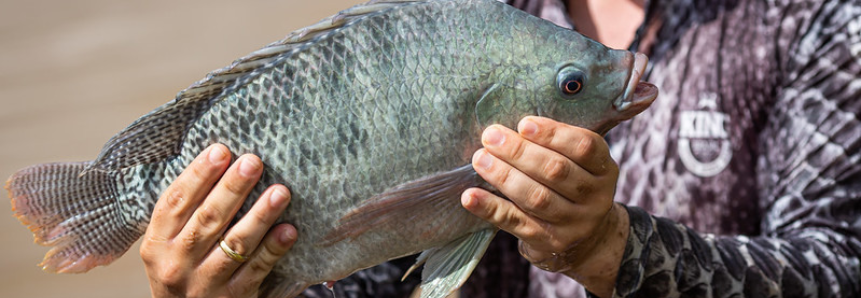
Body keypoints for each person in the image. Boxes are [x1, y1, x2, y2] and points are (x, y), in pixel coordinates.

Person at [140, 0, 861, 297]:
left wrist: (614, 248)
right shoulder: (468, 20)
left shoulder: (814, 23)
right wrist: (241, 280)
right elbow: (388, 276)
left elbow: (840, 267)